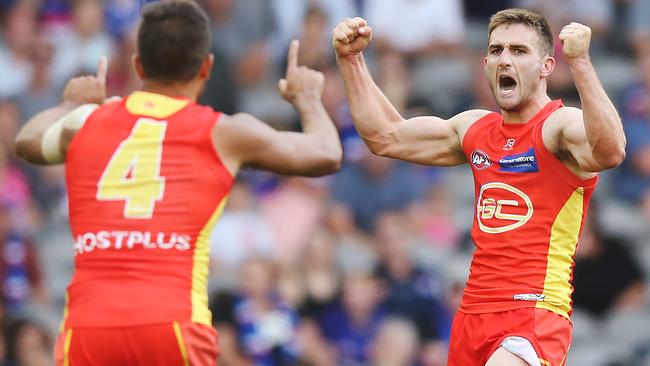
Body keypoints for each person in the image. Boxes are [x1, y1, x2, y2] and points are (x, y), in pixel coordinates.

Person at [14, 1, 342, 365]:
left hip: (88, 328)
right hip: (172, 325)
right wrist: (308, 99)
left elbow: (27, 141)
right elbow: (326, 153)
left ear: (138, 65)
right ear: (207, 67)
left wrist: (69, 105)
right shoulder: (223, 132)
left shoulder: (87, 124)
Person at [332, 8, 626, 366]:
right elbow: (385, 137)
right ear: (485, 62)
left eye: (519, 51)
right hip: (472, 315)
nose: (505, 60)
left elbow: (611, 151)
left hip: (531, 313)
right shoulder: (474, 128)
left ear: (547, 66)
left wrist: (579, 62)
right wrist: (351, 59)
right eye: (497, 50)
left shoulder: (559, 126)